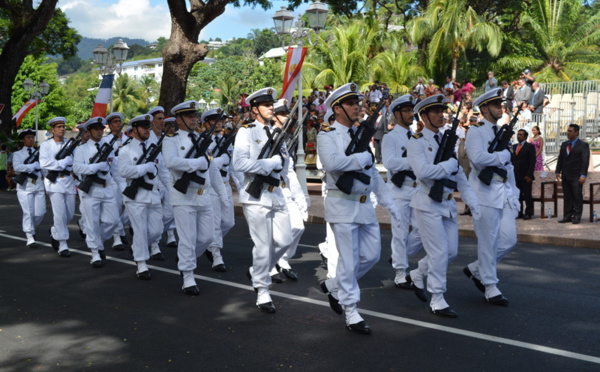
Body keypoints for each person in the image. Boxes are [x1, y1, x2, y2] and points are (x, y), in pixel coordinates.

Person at [317, 82, 401, 334]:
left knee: (371, 256)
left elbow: (372, 174)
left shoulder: (360, 134)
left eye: (358, 103)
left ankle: (334, 285)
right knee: (350, 259)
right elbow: (331, 163)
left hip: (364, 207)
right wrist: (360, 158)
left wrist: (389, 203)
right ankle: (351, 311)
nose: (357, 107)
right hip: (341, 205)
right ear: (338, 108)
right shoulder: (327, 134)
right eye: (352, 104)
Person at [405, 94, 479, 318]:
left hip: (446, 204)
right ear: (424, 117)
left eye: (442, 111)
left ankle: (418, 275)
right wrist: (448, 165)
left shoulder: (446, 140)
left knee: (451, 252)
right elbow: (424, 173)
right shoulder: (416, 141)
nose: (441, 115)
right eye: (435, 112)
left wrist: (473, 203)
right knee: (438, 252)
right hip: (427, 203)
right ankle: (437, 298)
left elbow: (460, 177)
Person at [232, 87, 293, 313]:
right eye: (266, 105)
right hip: (255, 196)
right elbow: (239, 164)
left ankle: (257, 270)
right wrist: (268, 164)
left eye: (271, 104)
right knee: (263, 245)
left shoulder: (278, 132)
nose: (271, 107)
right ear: (255, 109)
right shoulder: (246, 132)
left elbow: (284, 163)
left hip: (275, 193)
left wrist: (280, 162)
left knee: (285, 240)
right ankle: (262, 289)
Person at [163, 100, 228, 295]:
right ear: (179, 119)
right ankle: (188, 275)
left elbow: (212, 169)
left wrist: (223, 194)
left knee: (207, 237)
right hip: (183, 197)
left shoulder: (201, 139)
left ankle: (185, 258)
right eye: (190, 116)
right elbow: (171, 162)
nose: (194, 119)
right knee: (188, 238)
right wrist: (196, 163)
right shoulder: (171, 139)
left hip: (204, 196)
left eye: (195, 115)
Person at [464, 88, 520, 306]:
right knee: (488, 242)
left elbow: (509, 167)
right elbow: (477, 159)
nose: (500, 107)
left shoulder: (500, 131)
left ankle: (475, 269)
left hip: (503, 192)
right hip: (484, 194)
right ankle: (490, 286)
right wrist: (502, 155)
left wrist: (514, 193)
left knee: (508, 239)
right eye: (496, 104)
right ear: (484, 108)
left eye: (501, 104)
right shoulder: (475, 131)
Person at [118, 115, 167, 279]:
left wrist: (168, 188)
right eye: (144, 127)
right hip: (135, 196)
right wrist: (144, 167)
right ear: (134, 130)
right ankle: (141, 264)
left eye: (149, 127)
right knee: (139, 230)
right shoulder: (125, 150)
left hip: (153, 194)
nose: (148, 130)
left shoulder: (154, 147)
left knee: (157, 230)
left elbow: (163, 170)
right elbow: (124, 171)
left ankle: (138, 247)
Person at [382, 94, 423, 289]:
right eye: (406, 111)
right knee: (399, 232)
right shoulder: (390, 137)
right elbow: (389, 163)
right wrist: (413, 162)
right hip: (399, 190)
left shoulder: (417, 136)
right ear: (397, 113)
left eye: (411, 110)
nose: (411, 114)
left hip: (417, 189)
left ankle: (399, 256)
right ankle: (400, 273)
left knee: (422, 230)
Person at [267, 99, 307, 282]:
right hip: (270, 190)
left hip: (285, 191)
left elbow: (289, 171)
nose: (287, 117)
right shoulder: (267, 137)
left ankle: (281, 258)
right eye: (283, 114)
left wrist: (300, 198)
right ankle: (269, 265)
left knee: (297, 226)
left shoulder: (283, 140)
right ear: (274, 116)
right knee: (273, 233)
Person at [73, 117, 121, 267]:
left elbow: (114, 168)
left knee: (112, 221)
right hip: (91, 190)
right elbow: (77, 168)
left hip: (107, 188)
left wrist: (119, 186)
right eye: (96, 129)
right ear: (89, 131)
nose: (99, 132)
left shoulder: (108, 146)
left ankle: (99, 241)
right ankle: (95, 253)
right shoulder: (82, 149)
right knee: (92, 222)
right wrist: (96, 167)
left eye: (101, 129)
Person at [202, 107, 235, 273]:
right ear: (207, 123)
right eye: (215, 120)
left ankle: (209, 243)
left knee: (229, 222)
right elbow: (208, 165)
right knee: (215, 222)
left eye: (221, 120)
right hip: (212, 187)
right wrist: (220, 160)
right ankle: (216, 255)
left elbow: (233, 164)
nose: (219, 123)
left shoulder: (225, 141)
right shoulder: (203, 141)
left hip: (226, 185)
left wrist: (241, 185)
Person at [40, 117, 77, 257]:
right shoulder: (46, 145)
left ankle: (55, 230)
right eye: (58, 127)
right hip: (54, 183)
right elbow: (44, 163)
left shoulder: (69, 144)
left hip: (68, 181)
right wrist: (62, 163)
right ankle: (63, 244)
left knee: (69, 214)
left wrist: (70, 163)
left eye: (63, 126)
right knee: (60, 214)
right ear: (52, 130)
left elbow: (75, 161)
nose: (62, 129)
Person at [148, 106, 178, 251]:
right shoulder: (148, 140)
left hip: (166, 182)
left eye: (163, 118)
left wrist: (171, 185)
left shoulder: (166, 139)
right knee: (154, 216)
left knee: (170, 213)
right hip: (153, 184)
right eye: (159, 119)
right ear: (152, 121)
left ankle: (150, 237)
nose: (162, 121)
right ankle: (154, 245)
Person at [13, 129, 46, 248]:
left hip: (38, 185)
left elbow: (44, 168)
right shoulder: (18, 154)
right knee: (29, 212)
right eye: (28, 137)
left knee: (40, 212)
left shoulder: (39, 152)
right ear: (23, 139)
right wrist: (32, 166)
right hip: (25, 187)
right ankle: (30, 236)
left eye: (32, 137)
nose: (31, 139)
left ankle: (31, 227)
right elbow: (17, 168)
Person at [556, 124, 590, 225]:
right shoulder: (564, 144)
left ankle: (576, 216)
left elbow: (585, 161)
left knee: (576, 197)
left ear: (576, 132)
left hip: (576, 176)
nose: (568, 133)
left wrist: (583, 175)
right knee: (567, 197)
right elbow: (560, 158)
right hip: (565, 175)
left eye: (570, 131)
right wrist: (558, 171)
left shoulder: (583, 145)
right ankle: (567, 216)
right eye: (567, 131)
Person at [512, 129, 536, 220]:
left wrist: (529, 174)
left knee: (527, 195)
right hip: (515, 175)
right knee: (517, 195)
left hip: (526, 175)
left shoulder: (529, 147)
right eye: (518, 134)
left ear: (525, 136)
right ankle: (519, 212)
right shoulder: (514, 147)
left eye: (521, 135)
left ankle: (528, 212)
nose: (519, 136)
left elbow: (532, 161)